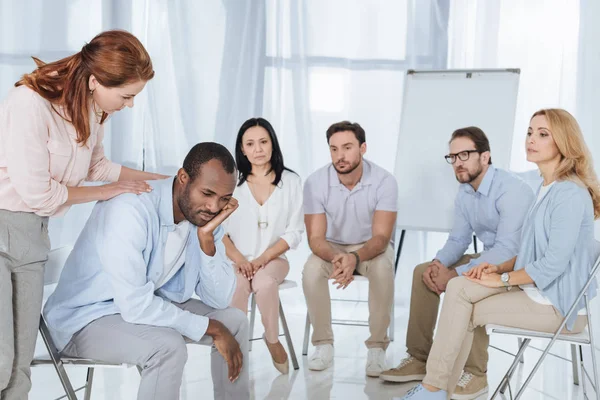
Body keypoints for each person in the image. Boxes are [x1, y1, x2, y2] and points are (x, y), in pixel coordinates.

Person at [0, 29, 166, 399]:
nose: (130, 105)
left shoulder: (93, 110)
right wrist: (109, 192)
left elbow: (98, 166)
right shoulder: (29, 104)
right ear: (95, 80)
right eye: (126, 96)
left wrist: (161, 181)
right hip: (3, 227)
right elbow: (39, 194)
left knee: (20, 368)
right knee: (0, 361)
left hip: (33, 238)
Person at [400, 109, 600, 399]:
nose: (531, 139)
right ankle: (438, 388)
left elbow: (552, 264)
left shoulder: (568, 193)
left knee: (461, 300)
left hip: (558, 306)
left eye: (543, 134)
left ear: (563, 143)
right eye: (530, 132)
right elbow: (529, 252)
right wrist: (496, 269)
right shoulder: (547, 188)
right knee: (459, 289)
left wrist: (502, 278)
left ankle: (435, 389)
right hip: (537, 293)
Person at [43, 142, 250, 400]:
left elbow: (218, 299)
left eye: (224, 199)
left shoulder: (204, 219)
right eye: (207, 194)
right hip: (86, 320)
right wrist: (212, 328)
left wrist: (207, 242)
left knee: (235, 322)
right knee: (167, 347)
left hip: (142, 306)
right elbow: (135, 305)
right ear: (183, 178)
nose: (213, 207)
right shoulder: (130, 209)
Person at [380, 127, 535, 400]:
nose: (458, 162)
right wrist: (439, 264)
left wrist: (455, 273)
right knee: (422, 272)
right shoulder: (465, 192)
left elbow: (508, 249)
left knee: (465, 283)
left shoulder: (512, 190)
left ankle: (476, 374)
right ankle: (418, 358)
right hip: (493, 258)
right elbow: (459, 239)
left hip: (517, 266)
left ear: (485, 157)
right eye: (453, 157)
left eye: (465, 154)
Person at [302, 121, 398, 377]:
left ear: (363, 148)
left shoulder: (384, 181)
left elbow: (381, 237)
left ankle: (377, 347)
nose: (340, 156)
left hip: (370, 248)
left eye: (347, 147)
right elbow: (315, 238)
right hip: (331, 247)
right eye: (334, 149)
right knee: (311, 270)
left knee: (382, 268)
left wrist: (354, 258)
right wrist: (339, 258)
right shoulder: (315, 182)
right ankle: (323, 344)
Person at [224, 118, 303, 374]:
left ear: (272, 144)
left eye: (263, 142)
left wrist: (260, 261)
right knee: (237, 285)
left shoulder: (291, 182)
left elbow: (294, 232)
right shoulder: (230, 184)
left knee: (264, 282)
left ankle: (272, 339)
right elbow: (219, 232)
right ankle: (234, 346)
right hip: (236, 260)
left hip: (273, 260)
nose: (258, 149)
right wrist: (240, 260)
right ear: (242, 149)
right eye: (250, 143)